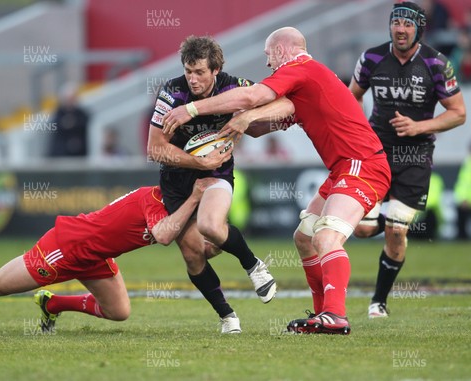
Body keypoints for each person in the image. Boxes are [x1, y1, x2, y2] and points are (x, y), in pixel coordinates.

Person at [162, 27, 392, 335]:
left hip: (362, 166)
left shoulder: (301, 68)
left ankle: (335, 315)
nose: (269, 64)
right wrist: (245, 120)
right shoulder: (308, 81)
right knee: (304, 237)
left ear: (283, 51)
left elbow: (252, 95)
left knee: (326, 238)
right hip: (343, 170)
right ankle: (323, 313)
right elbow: (272, 118)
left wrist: (191, 109)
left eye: (269, 56)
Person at [0, 178, 219, 332]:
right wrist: (195, 198)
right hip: (67, 246)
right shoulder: (155, 199)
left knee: (118, 312)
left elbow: (197, 248)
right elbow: (163, 236)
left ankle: (51, 304)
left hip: (94, 255)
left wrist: (222, 239)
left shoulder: (174, 209)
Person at [147, 35, 277, 334]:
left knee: (208, 226)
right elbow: (154, 149)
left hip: (217, 171)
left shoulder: (236, 86)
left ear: (216, 70)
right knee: (195, 253)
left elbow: (280, 100)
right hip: (177, 177)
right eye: (188, 71)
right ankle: (228, 317)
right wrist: (198, 163)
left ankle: (253, 265)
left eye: (200, 73)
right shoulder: (172, 92)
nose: (192, 79)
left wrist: (250, 118)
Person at [348, 2, 466, 318]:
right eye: (396, 23)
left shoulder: (436, 63)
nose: (400, 29)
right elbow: (353, 96)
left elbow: (458, 113)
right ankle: (392, 218)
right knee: (361, 229)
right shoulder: (371, 57)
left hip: (416, 155)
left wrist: (418, 127)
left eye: (408, 24)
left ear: (419, 29)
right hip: (376, 152)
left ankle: (378, 301)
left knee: (397, 233)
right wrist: (359, 134)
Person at [48, 82, 90, 157]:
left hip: (79, 155)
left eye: (72, 99)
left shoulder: (82, 114)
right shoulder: (58, 114)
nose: (70, 102)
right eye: (68, 99)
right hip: (60, 155)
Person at [454, 142, 471, 240]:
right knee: (462, 226)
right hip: (466, 199)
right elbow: (465, 183)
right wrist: (464, 198)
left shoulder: (467, 163)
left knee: (462, 226)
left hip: (466, 198)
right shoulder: (468, 162)